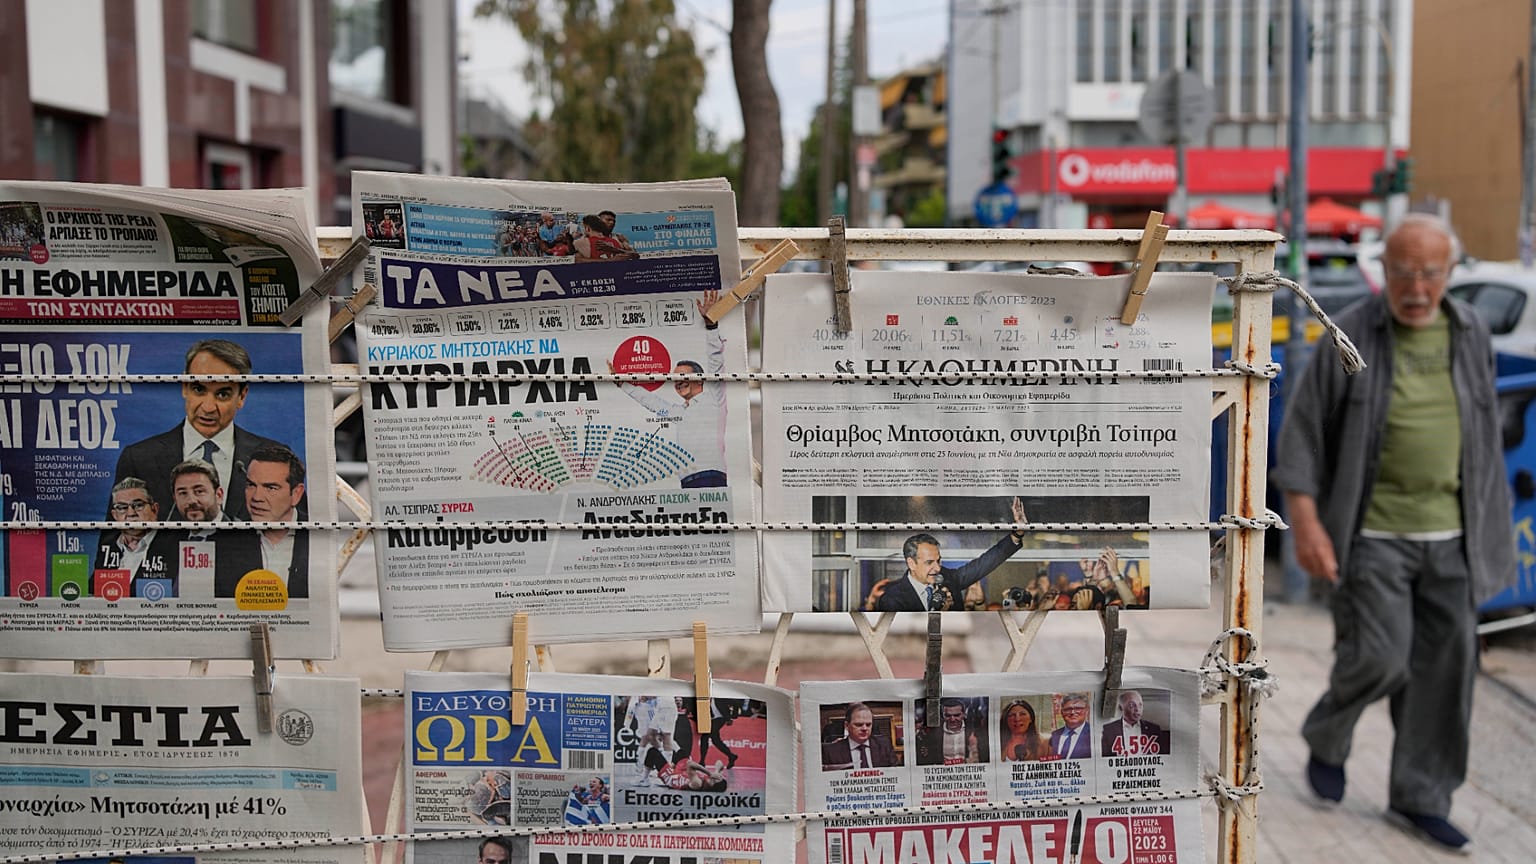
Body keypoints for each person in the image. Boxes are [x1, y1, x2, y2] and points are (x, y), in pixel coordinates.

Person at [1272, 214, 1514, 854]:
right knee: (1381, 655)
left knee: (1445, 675)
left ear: (1450, 274)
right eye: (1402, 271)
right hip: (1372, 535)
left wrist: (1492, 533)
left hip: (1455, 537)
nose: (1415, 286)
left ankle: (1420, 798)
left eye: (1429, 273)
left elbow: (1484, 440)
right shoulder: (1348, 334)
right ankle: (1328, 734)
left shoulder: (1471, 332)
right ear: (1384, 271)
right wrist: (1306, 523)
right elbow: (1300, 435)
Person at [113, 339, 288, 521]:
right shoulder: (138, 458)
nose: (208, 407)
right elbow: (113, 541)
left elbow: (299, 536)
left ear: (242, 396)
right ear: (184, 386)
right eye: (199, 389)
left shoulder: (275, 458)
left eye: (223, 394)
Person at [609, 290, 727, 488]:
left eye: (683, 376)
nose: (678, 382)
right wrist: (623, 384)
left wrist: (711, 325)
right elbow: (652, 402)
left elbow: (716, 361)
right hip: (687, 481)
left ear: (700, 380)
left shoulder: (714, 397)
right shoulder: (677, 412)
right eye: (674, 379)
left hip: (711, 477)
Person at [876, 497, 1029, 611]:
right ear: (911, 563)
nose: (937, 568)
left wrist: (1017, 533)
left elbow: (985, 563)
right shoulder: (892, 599)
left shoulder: (950, 579)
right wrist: (940, 614)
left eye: (938, 560)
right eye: (929, 562)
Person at [170, 459, 262, 597]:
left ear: (219, 495)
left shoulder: (246, 538)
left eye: (199, 491)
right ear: (175, 499)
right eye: (183, 493)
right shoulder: (168, 540)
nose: (191, 501)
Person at [239, 444, 309, 599]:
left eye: (270, 488)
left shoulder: (316, 535)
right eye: (251, 485)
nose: (256, 497)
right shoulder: (229, 538)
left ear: (296, 494)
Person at [90, 478, 181, 598]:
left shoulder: (174, 545)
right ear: (115, 515)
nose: (131, 513)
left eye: (138, 505)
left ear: (154, 509)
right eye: (122, 507)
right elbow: (94, 592)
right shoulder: (108, 545)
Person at [821, 702, 898, 770]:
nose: (864, 728)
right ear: (847, 726)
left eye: (868, 725)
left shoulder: (884, 745)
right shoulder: (831, 751)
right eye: (858, 725)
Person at [1100, 690, 1169, 757]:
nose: (1137, 709)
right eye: (1132, 705)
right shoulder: (1109, 730)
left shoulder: (1154, 729)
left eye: (1140, 705)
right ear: (1121, 708)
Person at [916, 698, 981, 766]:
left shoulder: (971, 731)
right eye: (948, 715)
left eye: (956, 715)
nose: (952, 719)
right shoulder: (934, 731)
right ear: (943, 715)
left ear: (963, 715)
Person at [573, 213, 639, 262]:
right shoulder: (583, 239)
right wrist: (610, 260)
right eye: (608, 220)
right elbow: (577, 260)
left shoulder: (619, 238)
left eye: (614, 221)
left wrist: (615, 249)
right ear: (599, 221)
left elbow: (635, 255)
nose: (611, 222)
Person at [1047, 693, 1093, 760]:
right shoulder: (1054, 736)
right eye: (1068, 709)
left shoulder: (1094, 734)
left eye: (1078, 708)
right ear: (1062, 712)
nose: (1072, 712)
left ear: (1087, 710)